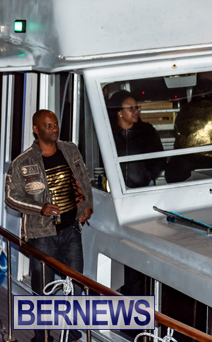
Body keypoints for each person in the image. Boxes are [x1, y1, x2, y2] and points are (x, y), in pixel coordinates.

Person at [5, 109, 93, 342]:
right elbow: (10, 198)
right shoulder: (23, 162)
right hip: (41, 235)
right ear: (36, 129)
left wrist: (87, 205)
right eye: (48, 126)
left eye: (55, 124)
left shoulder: (70, 150)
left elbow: (84, 178)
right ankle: (42, 335)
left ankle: (73, 333)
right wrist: (39, 208)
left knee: (75, 283)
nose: (54, 129)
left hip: (71, 230)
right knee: (41, 286)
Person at [107, 90, 166, 188]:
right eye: (131, 109)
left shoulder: (147, 131)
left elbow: (160, 159)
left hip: (144, 187)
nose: (136, 112)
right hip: (115, 189)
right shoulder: (109, 133)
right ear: (119, 112)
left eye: (137, 108)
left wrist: (148, 176)